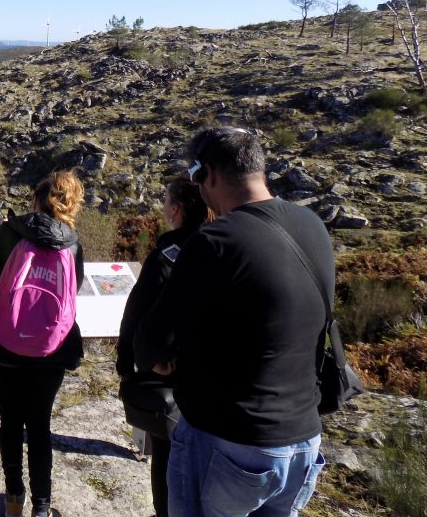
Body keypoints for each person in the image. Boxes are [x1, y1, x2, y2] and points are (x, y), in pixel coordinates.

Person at [135, 127, 331, 517]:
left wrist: (164, 360)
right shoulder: (313, 227)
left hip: (228, 439)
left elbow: (151, 343)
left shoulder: (214, 241)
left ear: (209, 174)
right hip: (303, 441)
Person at [0, 170, 85, 517]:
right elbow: (72, 291)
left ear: (36, 201)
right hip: (49, 352)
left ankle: (13, 500)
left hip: (2, 348)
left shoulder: (8, 233)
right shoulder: (72, 243)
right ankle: (41, 506)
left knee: (10, 422)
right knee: (39, 426)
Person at [116, 177, 211, 517]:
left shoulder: (167, 256)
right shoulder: (223, 248)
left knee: (168, 457)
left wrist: (130, 367)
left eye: (166, 200)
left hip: (172, 384)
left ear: (175, 209)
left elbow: (136, 316)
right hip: (217, 382)